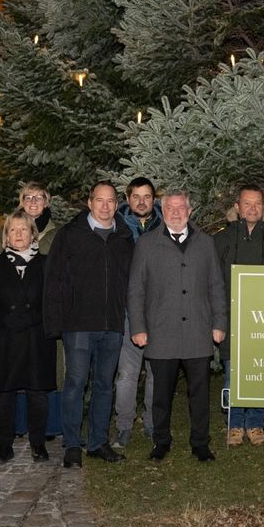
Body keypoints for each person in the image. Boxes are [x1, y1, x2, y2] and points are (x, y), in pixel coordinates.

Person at [129, 190, 228, 462]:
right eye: (170, 207)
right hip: (161, 331)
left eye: (180, 207)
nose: (175, 212)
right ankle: (161, 441)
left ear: (189, 211)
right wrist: (138, 326)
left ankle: (200, 443)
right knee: (160, 394)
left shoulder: (206, 243)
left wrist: (219, 322)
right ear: (162, 211)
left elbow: (216, 286)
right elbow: (136, 289)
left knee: (200, 393)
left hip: (198, 330)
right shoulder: (147, 244)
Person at [43, 182, 134, 468]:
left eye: (110, 201)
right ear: (89, 202)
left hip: (112, 325)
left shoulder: (124, 236)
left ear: (117, 205)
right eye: (99, 200)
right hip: (79, 324)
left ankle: (97, 442)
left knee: (105, 385)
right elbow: (53, 280)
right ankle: (72, 445)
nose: (105, 206)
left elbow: (131, 282)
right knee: (75, 383)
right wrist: (55, 322)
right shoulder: (70, 235)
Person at [214, 185, 264, 447]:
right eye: (247, 204)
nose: (252, 208)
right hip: (231, 318)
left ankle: (256, 423)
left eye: (257, 204)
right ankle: (235, 423)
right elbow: (212, 282)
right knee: (233, 373)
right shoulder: (222, 240)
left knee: (262, 372)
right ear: (237, 207)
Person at [0, 210, 56, 463]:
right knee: (4, 394)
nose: (19, 234)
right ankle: (4, 445)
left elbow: (52, 299)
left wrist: (31, 317)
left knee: (37, 393)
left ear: (33, 233)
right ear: (5, 235)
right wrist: (6, 319)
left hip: (36, 337)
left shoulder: (46, 263)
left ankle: (38, 443)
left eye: (24, 229)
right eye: (13, 229)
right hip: (5, 337)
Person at [113, 177, 163, 448]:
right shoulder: (117, 226)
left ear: (154, 199)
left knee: (156, 373)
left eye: (147, 196)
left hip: (158, 312)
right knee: (127, 373)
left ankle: (153, 423)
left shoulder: (165, 225)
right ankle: (123, 425)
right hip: (127, 313)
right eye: (136, 197)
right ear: (128, 198)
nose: (142, 202)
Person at [13, 181, 63, 443]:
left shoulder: (57, 235)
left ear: (47, 202)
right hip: (18, 313)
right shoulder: (7, 231)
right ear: (21, 201)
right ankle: (20, 423)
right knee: (19, 365)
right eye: (28, 197)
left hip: (48, 312)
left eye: (39, 197)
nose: (33, 202)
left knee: (51, 369)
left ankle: (51, 425)